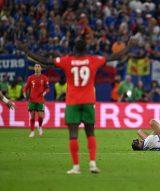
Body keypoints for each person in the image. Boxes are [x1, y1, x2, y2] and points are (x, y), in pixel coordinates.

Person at [17, 37, 136, 174]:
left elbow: (46, 61)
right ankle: (92, 164)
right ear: (86, 49)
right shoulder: (93, 60)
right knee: (90, 133)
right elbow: (113, 57)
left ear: (74, 49)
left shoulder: (68, 60)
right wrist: (128, 47)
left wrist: (27, 51)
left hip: (73, 102)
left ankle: (76, 167)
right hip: (88, 101)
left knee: (73, 134)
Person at [23, 63, 49, 138]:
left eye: (38, 66)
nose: (37, 68)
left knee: (40, 116)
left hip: (40, 100)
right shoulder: (30, 78)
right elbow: (26, 87)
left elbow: (47, 88)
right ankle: (32, 131)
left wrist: (45, 92)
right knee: (32, 116)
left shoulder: (44, 78)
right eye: (36, 67)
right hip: (32, 99)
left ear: (41, 69)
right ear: (34, 68)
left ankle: (40, 127)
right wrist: (24, 93)